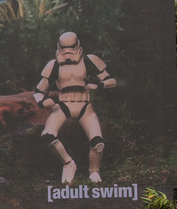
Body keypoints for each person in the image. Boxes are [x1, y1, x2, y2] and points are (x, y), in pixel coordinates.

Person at [33, 31, 117, 184]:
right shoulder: (53, 65)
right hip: (62, 106)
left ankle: (94, 172)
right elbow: (38, 91)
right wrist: (43, 102)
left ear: (77, 45)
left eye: (71, 47)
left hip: (85, 106)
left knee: (97, 143)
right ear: (59, 47)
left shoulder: (89, 61)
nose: (68, 52)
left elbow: (111, 81)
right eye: (64, 48)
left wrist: (98, 85)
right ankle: (68, 163)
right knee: (48, 136)